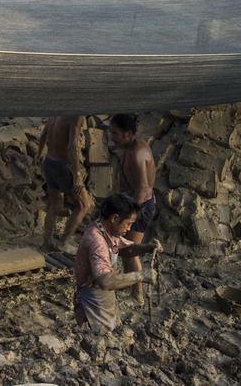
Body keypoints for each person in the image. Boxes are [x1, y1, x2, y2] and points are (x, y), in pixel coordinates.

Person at [73, 193, 158, 333]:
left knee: (113, 328)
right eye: (128, 224)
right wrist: (140, 276)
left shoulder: (106, 229)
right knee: (100, 335)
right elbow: (105, 282)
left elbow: (125, 249)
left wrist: (147, 247)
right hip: (94, 298)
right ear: (115, 218)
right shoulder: (97, 241)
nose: (129, 229)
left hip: (104, 292)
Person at [109, 113, 157, 305]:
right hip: (131, 204)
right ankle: (132, 287)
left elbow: (143, 188)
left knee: (130, 251)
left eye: (115, 133)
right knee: (125, 249)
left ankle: (137, 295)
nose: (112, 137)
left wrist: (130, 215)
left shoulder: (138, 153)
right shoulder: (129, 147)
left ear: (128, 134)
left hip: (140, 206)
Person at [38, 115, 94, 253]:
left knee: (55, 205)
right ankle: (63, 242)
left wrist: (38, 154)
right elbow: (72, 146)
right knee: (84, 205)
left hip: (49, 162)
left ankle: (46, 243)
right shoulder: (75, 116)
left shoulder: (55, 114)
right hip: (62, 166)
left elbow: (43, 134)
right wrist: (77, 174)